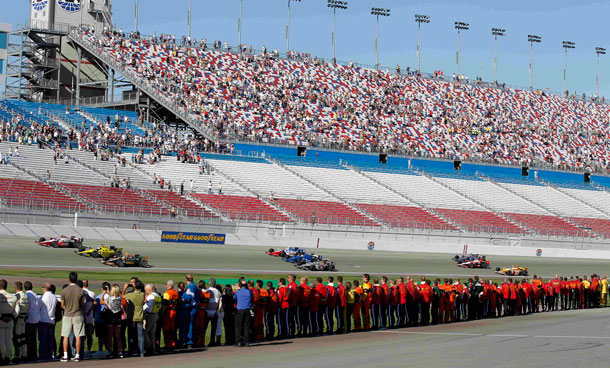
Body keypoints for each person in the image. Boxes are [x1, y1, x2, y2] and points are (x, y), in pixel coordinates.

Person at [60, 272, 85, 362]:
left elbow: (62, 304)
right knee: (78, 336)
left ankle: (66, 355)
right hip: (77, 314)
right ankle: (77, 355)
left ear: (69, 279)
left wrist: (68, 309)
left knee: (65, 336)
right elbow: (82, 303)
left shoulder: (64, 290)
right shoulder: (81, 290)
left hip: (67, 314)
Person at [123, 280, 145, 357]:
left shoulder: (131, 295)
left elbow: (122, 297)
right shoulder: (142, 294)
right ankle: (141, 352)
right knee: (140, 335)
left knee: (131, 335)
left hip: (132, 317)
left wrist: (125, 288)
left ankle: (131, 352)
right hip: (140, 316)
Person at [101, 284, 124, 358]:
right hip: (117, 319)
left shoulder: (110, 299)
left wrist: (104, 293)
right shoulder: (119, 299)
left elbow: (101, 302)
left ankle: (110, 351)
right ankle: (120, 351)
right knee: (117, 336)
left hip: (111, 319)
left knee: (110, 336)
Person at [38, 283, 56, 361]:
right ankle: (49, 355)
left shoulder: (44, 297)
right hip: (52, 320)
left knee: (43, 340)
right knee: (50, 339)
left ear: (44, 288)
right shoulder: (54, 297)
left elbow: (39, 307)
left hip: (44, 320)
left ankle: (43, 356)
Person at [0, 280, 16, 366]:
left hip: (1, 320)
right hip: (10, 320)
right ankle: (8, 357)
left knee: (1, 339)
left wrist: (1, 317)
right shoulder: (13, 297)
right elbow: (17, 310)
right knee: (9, 340)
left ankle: (3, 356)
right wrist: (12, 317)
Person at [233, 280, 253, 347]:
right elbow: (252, 298)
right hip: (247, 310)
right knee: (246, 327)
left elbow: (234, 299)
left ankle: (238, 341)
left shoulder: (238, 292)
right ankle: (246, 342)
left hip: (240, 310)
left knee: (238, 327)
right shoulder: (249, 292)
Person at [142, 284, 161, 356]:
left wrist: (143, 309)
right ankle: (152, 349)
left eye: (146, 290)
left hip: (150, 315)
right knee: (152, 333)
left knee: (145, 331)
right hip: (156, 314)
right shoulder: (157, 295)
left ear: (149, 290)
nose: (145, 292)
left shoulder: (150, 297)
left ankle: (149, 347)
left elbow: (148, 306)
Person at [24, 281, 39, 363]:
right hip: (36, 319)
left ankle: (29, 355)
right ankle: (34, 355)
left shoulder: (27, 295)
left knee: (28, 339)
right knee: (33, 338)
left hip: (30, 319)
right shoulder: (35, 294)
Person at [13, 282, 28, 363]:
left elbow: (17, 309)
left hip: (18, 318)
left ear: (15, 288)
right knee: (23, 337)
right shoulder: (26, 295)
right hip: (24, 317)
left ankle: (17, 355)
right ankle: (24, 354)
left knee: (17, 337)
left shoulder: (17, 296)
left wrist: (14, 317)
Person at [162, 280, 179, 351]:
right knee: (172, 328)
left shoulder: (167, 293)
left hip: (168, 312)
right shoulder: (176, 293)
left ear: (168, 285)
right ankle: (173, 343)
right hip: (174, 311)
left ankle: (168, 344)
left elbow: (164, 304)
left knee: (166, 328)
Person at [204, 279, 222, 346]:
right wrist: (217, 310)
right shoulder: (218, 291)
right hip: (214, 312)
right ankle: (212, 341)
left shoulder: (208, 291)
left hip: (208, 311)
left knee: (205, 328)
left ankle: (202, 341)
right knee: (213, 328)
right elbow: (220, 302)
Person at [183, 275, 199, 348]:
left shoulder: (190, 286)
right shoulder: (194, 286)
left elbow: (190, 297)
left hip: (191, 308)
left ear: (186, 280)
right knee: (193, 325)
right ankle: (193, 340)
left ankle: (190, 342)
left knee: (190, 325)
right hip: (194, 308)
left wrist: (183, 299)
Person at [82, 280, 95, 357]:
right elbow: (94, 304)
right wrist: (90, 311)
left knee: (83, 335)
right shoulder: (92, 293)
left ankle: (82, 349)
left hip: (83, 316)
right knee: (89, 335)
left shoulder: (81, 292)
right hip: (89, 317)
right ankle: (88, 349)